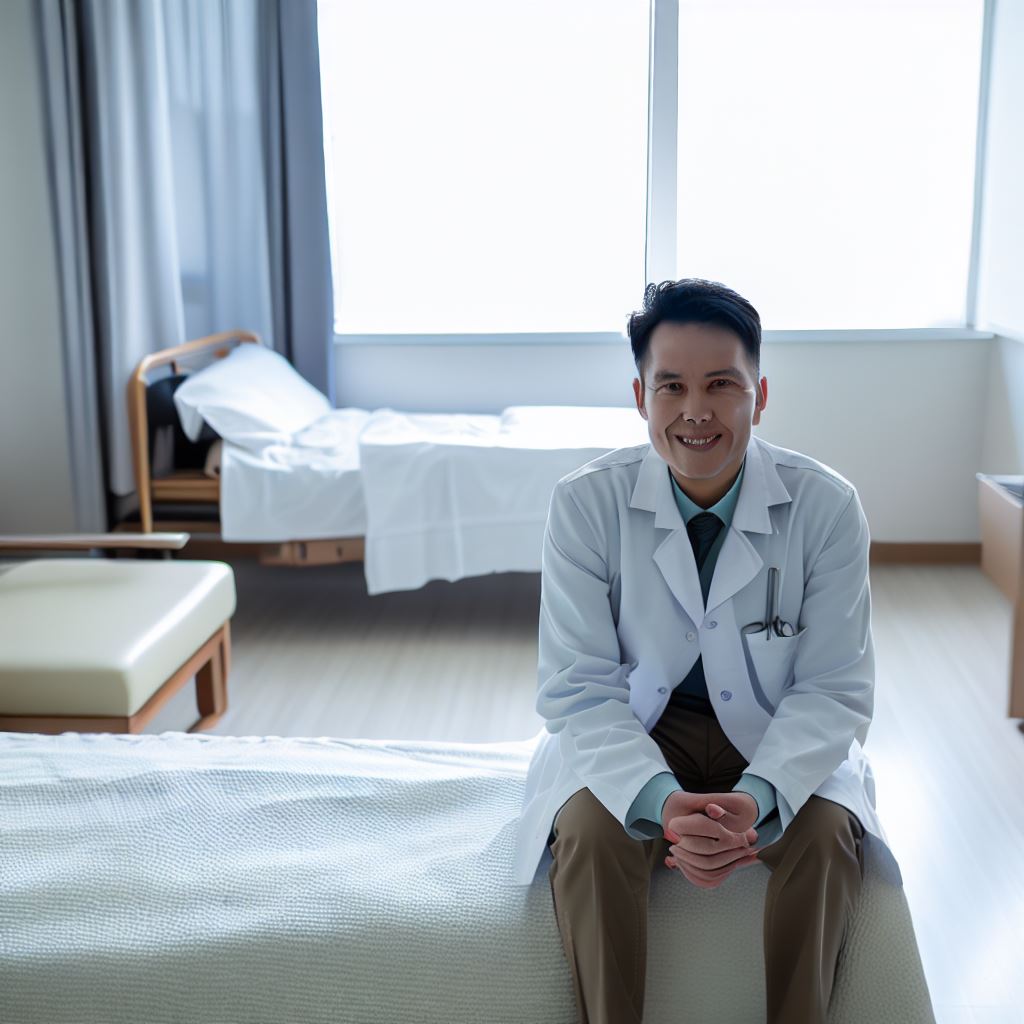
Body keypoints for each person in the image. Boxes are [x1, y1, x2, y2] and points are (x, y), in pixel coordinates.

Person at [510, 278, 902, 1024]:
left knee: (826, 838)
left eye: (722, 385)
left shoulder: (826, 506)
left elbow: (834, 688)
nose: (696, 410)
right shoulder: (585, 503)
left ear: (760, 396)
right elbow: (578, 687)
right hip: (639, 725)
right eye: (672, 386)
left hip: (774, 726)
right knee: (590, 835)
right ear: (640, 397)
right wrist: (660, 802)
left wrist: (758, 797)